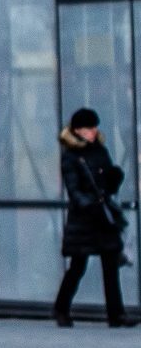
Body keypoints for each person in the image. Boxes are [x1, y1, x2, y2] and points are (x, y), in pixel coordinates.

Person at [54, 108, 133, 329]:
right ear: (78, 130)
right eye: (89, 128)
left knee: (110, 264)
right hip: (84, 218)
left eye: (95, 127)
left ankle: (116, 314)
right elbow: (73, 188)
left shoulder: (100, 150)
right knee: (78, 266)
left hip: (103, 214)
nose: (94, 131)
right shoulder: (71, 155)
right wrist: (86, 202)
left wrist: (113, 179)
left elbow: (107, 181)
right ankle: (61, 308)